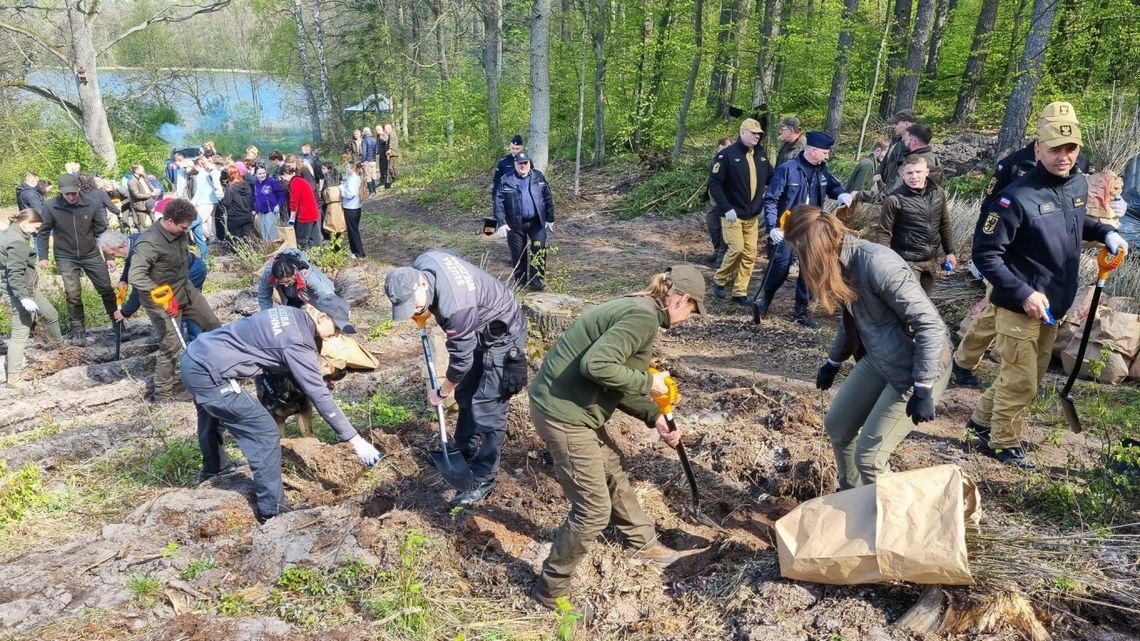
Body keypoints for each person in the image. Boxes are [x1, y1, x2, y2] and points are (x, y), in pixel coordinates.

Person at [526, 265, 706, 615]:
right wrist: (648, 385)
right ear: (681, 299)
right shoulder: (643, 319)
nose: (689, 318)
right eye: (692, 311)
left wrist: (655, 417)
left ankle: (642, 544)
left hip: (574, 407)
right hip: (563, 414)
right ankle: (550, 591)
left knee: (612, 470)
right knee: (592, 511)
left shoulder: (638, 308)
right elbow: (596, 366)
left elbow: (613, 379)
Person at [967, 118, 1127, 468]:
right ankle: (1002, 443)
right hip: (1018, 305)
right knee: (1022, 380)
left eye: (1071, 149)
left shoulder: (1077, 186)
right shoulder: (1015, 198)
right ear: (1038, 149)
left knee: (1027, 375)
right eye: (1055, 148)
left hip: (1054, 305)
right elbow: (986, 255)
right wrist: (1023, 292)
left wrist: (1104, 232)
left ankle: (979, 423)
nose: (1064, 156)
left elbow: (1076, 220)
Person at [795, 205, 951, 489]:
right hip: (882, 356)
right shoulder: (841, 263)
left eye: (801, 254)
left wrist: (924, 387)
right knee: (838, 426)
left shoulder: (878, 264)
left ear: (814, 248)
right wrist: (833, 362)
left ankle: (895, 525)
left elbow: (931, 325)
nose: (801, 261)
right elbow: (855, 318)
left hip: (919, 364)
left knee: (869, 458)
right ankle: (853, 501)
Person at [181, 303, 383, 523]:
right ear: (322, 317)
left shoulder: (291, 314)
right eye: (336, 328)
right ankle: (273, 511)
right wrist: (355, 440)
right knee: (265, 431)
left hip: (195, 357)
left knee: (213, 412)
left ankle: (215, 468)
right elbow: (319, 395)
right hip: (209, 373)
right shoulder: (297, 343)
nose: (336, 334)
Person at [953, 101, 1096, 388]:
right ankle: (964, 362)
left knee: (998, 316)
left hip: (1045, 267)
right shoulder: (1014, 163)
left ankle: (1007, 379)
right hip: (1009, 259)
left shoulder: (1075, 163)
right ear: (1039, 128)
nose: (1064, 154)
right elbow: (991, 209)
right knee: (994, 313)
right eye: (1049, 124)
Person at [385, 250, 529, 505]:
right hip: (479, 324)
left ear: (421, 283)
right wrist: (423, 307)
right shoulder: (424, 262)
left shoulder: (456, 309)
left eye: (414, 305)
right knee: (466, 394)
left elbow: (461, 362)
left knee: (489, 406)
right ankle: (464, 447)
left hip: (502, 332)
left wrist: (441, 392)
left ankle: (485, 476)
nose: (414, 311)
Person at [127, 199, 222, 402]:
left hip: (185, 290)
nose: (185, 231)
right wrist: (160, 294)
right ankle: (163, 396)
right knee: (171, 345)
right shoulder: (149, 242)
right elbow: (136, 275)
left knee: (213, 325)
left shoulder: (178, 233)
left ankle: (222, 371)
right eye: (183, 227)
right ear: (169, 221)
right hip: (160, 299)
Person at [756, 131, 854, 327]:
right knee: (780, 266)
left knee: (809, 270)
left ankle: (801, 311)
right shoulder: (788, 169)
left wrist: (842, 194)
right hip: (788, 228)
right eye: (825, 152)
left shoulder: (822, 170)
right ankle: (764, 300)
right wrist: (773, 227)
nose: (827, 156)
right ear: (813, 150)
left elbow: (834, 187)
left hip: (813, 230)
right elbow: (771, 199)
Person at [36, 173, 118, 342]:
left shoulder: (92, 204)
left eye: (74, 193)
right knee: (73, 293)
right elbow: (43, 232)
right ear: (60, 191)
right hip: (66, 256)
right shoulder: (51, 206)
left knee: (106, 289)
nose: (71, 197)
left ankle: (117, 322)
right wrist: (43, 256)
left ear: (79, 189)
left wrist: (109, 256)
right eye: (67, 194)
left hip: (91, 254)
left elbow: (102, 232)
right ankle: (78, 328)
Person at [101, 230, 209, 343]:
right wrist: (124, 279)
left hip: (192, 271)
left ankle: (194, 342)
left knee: (183, 306)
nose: (115, 257)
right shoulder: (132, 241)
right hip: (179, 271)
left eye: (113, 254)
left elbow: (139, 290)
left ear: (121, 246)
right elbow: (129, 261)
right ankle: (182, 341)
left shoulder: (141, 252)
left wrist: (125, 312)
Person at [709, 119, 773, 305]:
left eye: (759, 134)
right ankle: (720, 280)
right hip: (732, 214)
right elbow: (714, 183)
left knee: (750, 254)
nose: (757, 136)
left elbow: (771, 176)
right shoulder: (727, 155)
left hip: (751, 215)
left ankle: (740, 291)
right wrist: (726, 207)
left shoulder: (760, 155)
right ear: (742, 132)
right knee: (736, 249)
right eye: (753, 133)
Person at [874, 155, 955, 295]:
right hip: (906, 261)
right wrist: (885, 261)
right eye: (909, 173)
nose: (914, 177)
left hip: (930, 260)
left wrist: (950, 252)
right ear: (903, 175)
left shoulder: (938, 193)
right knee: (910, 303)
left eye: (918, 172)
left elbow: (944, 223)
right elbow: (883, 232)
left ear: (926, 172)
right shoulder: (894, 199)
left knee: (926, 302)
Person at [1, 209, 63, 388]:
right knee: (20, 333)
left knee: (50, 314)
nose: (36, 231)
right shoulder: (17, 241)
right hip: (19, 290)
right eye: (35, 227)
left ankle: (61, 348)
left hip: (27, 288)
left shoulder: (9, 232)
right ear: (24, 223)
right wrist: (22, 297)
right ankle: (14, 378)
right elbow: (14, 273)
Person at [493, 152, 555, 291]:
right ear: (515, 164)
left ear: (529, 163)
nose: (523, 166)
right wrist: (501, 222)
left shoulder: (538, 176)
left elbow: (547, 198)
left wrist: (550, 218)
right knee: (518, 254)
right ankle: (521, 283)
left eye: (525, 163)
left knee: (539, 249)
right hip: (515, 225)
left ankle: (536, 282)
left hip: (536, 223)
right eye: (520, 163)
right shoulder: (507, 179)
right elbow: (498, 202)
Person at [257, 249, 338, 311]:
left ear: (294, 273)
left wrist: (336, 310)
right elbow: (264, 295)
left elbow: (326, 292)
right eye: (281, 282)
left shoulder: (306, 274)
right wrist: (267, 313)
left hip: (313, 297)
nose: (285, 285)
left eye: (288, 281)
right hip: (291, 298)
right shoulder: (269, 273)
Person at [704, 136, 735, 267]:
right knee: (713, 225)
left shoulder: (732, 160)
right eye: (721, 148)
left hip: (725, 201)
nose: (723, 151)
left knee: (724, 230)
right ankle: (717, 251)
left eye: (726, 148)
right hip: (713, 201)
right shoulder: (717, 159)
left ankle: (721, 259)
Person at [875, 109, 917, 188]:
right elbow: (885, 160)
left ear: (907, 124)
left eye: (896, 123)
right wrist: (878, 173)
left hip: (901, 191)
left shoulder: (916, 146)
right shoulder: (895, 141)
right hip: (887, 187)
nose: (894, 126)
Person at [285, 163, 321, 249]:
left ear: (286, 174)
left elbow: (294, 202)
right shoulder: (300, 180)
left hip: (305, 215)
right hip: (313, 213)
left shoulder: (295, 182)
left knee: (302, 241)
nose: (283, 179)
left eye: (282, 177)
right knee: (315, 240)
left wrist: (291, 219)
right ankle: (318, 259)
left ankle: (304, 260)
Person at [252, 166, 286, 242]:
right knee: (264, 235)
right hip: (261, 213)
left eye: (263, 173)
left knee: (272, 235)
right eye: (260, 174)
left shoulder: (271, 182)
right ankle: (267, 251)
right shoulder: (256, 184)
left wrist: (278, 204)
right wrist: (254, 209)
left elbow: (282, 194)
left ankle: (275, 250)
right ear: (256, 175)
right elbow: (255, 197)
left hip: (271, 212)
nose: (262, 175)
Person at [190, 156, 220, 242]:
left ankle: (210, 237)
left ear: (196, 165)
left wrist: (192, 202)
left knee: (199, 220)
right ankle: (213, 238)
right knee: (210, 221)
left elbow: (199, 190)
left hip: (204, 202)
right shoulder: (207, 174)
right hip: (212, 200)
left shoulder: (201, 175)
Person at [220, 166, 255, 240]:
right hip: (247, 216)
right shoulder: (246, 184)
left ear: (229, 175)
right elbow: (250, 198)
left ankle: (237, 251)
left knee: (236, 240)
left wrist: (222, 200)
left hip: (235, 218)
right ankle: (249, 251)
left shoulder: (230, 187)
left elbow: (227, 203)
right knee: (247, 239)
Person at [341, 161, 365, 258]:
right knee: (353, 230)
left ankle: (359, 252)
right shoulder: (354, 178)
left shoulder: (353, 179)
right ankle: (354, 251)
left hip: (351, 208)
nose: (346, 169)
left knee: (353, 231)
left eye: (347, 167)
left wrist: (342, 190)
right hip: (355, 208)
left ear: (352, 168)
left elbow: (350, 194)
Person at [491, 134, 524, 201]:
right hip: (508, 197)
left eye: (517, 149)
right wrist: (495, 199)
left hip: (523, 196)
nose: (514, 151)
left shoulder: (526, 161)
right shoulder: (503, 161)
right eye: (513, 148)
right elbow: (497, 181)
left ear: (522, 148)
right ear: (510, 147)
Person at [127, 163, 157, 232]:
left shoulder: (144, 177)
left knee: (155, 222)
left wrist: (154, 189)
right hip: (141, 207)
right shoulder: (132, 181)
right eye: (142, 169)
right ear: (136, 171)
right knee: (144, 226)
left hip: (150, 203)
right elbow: (137, 195)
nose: (143, 170)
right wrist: (151, 194)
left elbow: (149, 185)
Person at [361, 127, 379, 196]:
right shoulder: (374, 139)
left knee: (368, 176)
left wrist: (363, 160)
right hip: (373, 160)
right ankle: (375, 190)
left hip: (367, 160)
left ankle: (371, 192)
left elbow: (364, 152)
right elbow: (377, 151)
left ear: (364, 133)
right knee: (374, 175)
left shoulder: (365, 140)